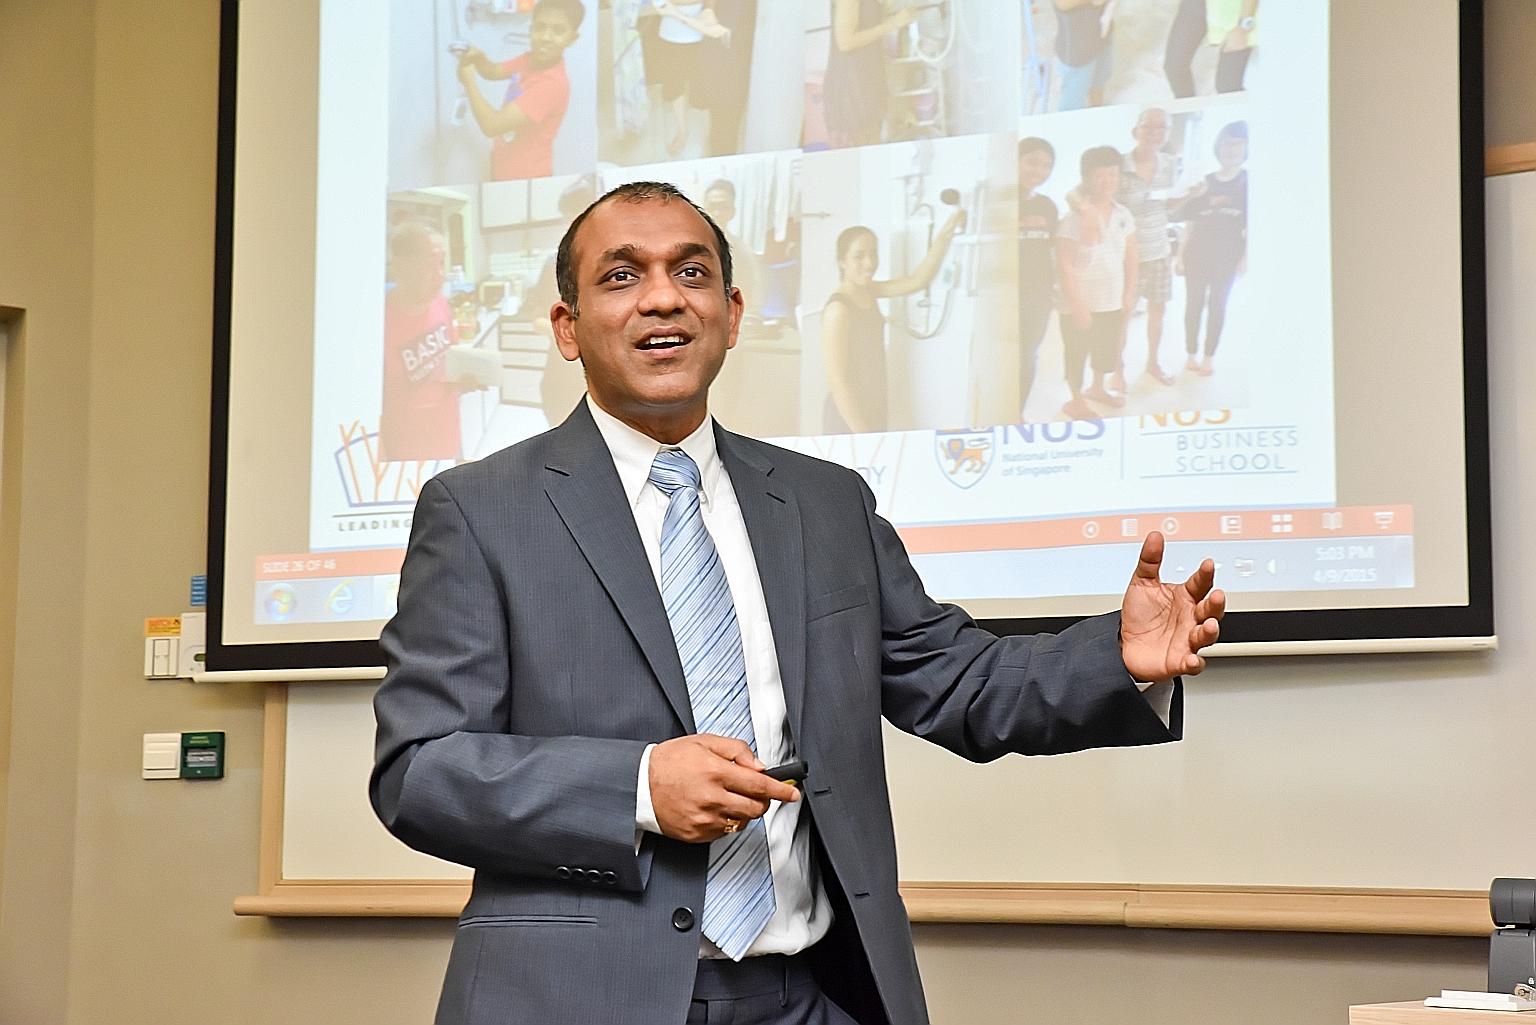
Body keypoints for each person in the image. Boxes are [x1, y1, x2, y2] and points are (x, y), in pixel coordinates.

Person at [370, 181, 1224, 1025]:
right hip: (577, 997)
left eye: (692, 272)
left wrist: (1114, 656)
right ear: (566, 326)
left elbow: (954, 677)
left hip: (807, 992)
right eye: (622, 276)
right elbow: (419, 768)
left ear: (733, 314)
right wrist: (634, 787)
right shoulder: (481, 510)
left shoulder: (824, 502)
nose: (663, 296)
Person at [821, 213, 964, 434]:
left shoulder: (870, 291)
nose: (869, 263)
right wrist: (862, 433)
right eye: (859, 256)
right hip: (849, 417)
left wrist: (945, 236)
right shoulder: (838, 310)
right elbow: (837, 381)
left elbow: (917, 281)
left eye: (873, 254)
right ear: (842, 261)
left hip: (874, 405)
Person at [456, 0, 585, 181]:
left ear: (572, 38)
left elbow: (492, 126)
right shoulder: (529, 59)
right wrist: (479, 57)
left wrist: (469, 83)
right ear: (531, 29)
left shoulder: (551, 84)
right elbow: (493, 71)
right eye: (540, 27)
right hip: (502, 166)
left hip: (527, 176)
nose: (546, 37)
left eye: (558, 30)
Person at [1056, 146, 1137, 419]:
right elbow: (1064, 266)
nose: (1107, 181)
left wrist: (1129, 293)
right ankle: (1076, 400)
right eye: (1100, 175)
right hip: (1078, 301)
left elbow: (1131, 257)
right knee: (1076, 352)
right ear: (1086, 178)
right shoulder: (1071, 219)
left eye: (1112, 174)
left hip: (1111, 297)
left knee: (1106, 349)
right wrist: (1077, 306)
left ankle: (1097, 389)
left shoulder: (1124, 214)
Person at [379, 220, 464, 463]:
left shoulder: (441, 303)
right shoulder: (379, 323)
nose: (440, 275)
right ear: (399, 267)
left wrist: (465, 377)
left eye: (441, 263)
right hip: (407, 458)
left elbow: (450, 360)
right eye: (428, 264)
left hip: (450, 442)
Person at [1174, 120, 1248, 375]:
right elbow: (1189, 224)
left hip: (1227, 257)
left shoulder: (1249, 183)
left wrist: (1244, 259)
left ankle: (1208, 358)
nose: (1232, 150)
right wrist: (1180, 256)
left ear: (1247, 148)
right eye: (1227, 144)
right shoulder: (1204, 183)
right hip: (1196, 254)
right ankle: (1190, 354)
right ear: (1219, 147)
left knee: (1218, 306)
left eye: (1238, 144)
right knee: (1192, 306)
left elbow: (1252, 228)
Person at [1117, 107, 1178, 387]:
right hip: (1126, 255)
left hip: (1160, 252)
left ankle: (1153, 362)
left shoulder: (1169, 164)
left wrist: (1191, 196)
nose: (1154, 133)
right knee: (1123, 314)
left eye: (1161, 128)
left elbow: (1167, 207)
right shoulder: (1118, 165)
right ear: (1135, 131)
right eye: (1148, 126)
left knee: (1158, 310)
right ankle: (1116, 370)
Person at [822, 0, 916, 148]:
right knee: (864, 149)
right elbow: (845, 42)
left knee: (871, 143)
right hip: (852, 88)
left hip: (864, 78)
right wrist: (893, 23)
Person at [650, 0, 731, 156]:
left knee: (705, 90)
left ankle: (708, 136)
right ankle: (682, 130)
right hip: (671, 35)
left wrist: (708, 8)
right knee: (674, 87)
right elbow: (660, 5)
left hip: (705, 35)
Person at [1017, 137, 1059, 418]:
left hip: (1039, 296)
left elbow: (1051, 249)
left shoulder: (1047, 205)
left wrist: (1056, 289)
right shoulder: (996, 201)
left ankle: (1016, 411)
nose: (1039, 171)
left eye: (1047, 166)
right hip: (1003, 296)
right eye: (1032, 161)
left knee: (1028, 355)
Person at [1164, 0, 1258, 98]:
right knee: (1174, 66)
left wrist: (1243, 27)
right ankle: (1189, 110)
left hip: (1233, 16)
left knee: (1228, 87)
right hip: (1196, 6)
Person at [1052, 0, 1113, 112]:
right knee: (1072, 103)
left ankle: (1097, 112)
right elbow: (1062, 3)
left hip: (1102, 34)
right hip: (1077, 49)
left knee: (1098, 83)